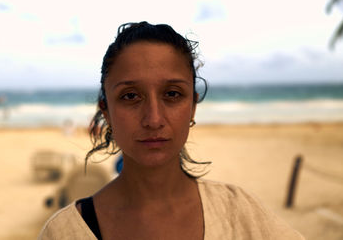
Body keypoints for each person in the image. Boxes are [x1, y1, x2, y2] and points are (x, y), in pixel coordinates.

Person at [38, 22, 305, 240]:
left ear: (192, 108)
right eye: (131, 96)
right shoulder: (65, 232)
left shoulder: (239, 213)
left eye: (172, 94)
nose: (154, 119)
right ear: (106, 111)